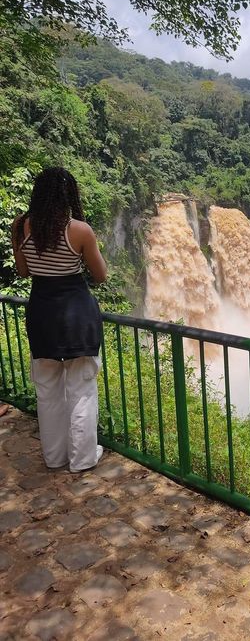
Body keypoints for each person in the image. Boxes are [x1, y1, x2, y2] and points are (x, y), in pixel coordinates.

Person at [11, 166, 107, 473]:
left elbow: (24, 272)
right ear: (69, 195)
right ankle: (82, 459)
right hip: (76, 316)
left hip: (41, 313)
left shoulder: (20, 226)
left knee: (47, 391)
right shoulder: (79, 230)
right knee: (81, 389)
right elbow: (101, 275)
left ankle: (54, 458)